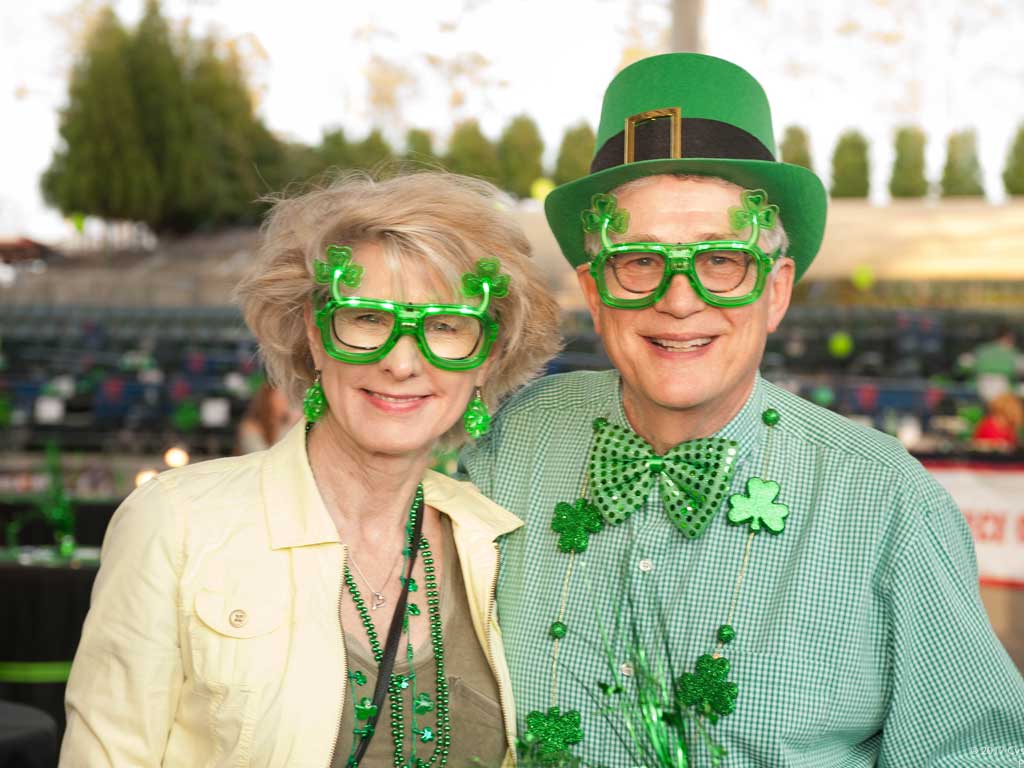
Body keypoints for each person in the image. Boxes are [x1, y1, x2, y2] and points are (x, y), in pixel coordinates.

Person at [462, 53, 1024, 767]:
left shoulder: (888, 505)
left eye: (721, 259)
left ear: (776, 290)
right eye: (639, 260)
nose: (679, 298)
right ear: (595, 290)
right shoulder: (511, 441)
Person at [60, 171, 561, 767]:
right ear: (315, 336)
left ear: (488, 358)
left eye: (446, 326)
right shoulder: (174, 524)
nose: (402, 362)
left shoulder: (500, 543)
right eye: (368, 319)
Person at [235, 381, 301, 453]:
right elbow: (265, 459)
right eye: (284, 396)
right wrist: (288, 425)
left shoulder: (288, 424)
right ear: (269, 397)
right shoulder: (250, 427)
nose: (289, 401)